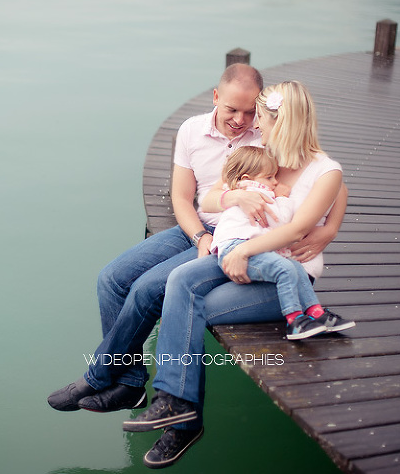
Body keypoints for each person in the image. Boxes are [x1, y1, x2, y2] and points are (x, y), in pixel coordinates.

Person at [123, 81, 352, 469]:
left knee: (197, 306)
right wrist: (236, 196)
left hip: (285, 274)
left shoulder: (324, 170)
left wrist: (328, 229)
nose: (255, 125)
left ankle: (184, 421)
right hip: (241, 251)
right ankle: (173, 401)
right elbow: (211, 197)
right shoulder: (266, 155)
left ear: (281, 121)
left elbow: (311, 216)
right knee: (179, 280)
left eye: (260, 117)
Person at [47, 63, 266, 413]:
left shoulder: (266, 135)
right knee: (111, 279)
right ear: (215, 97)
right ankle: (130, 383)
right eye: (232, 109)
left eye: (249, 111)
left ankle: (98, 376)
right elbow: (181, 198)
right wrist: (198, 235)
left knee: (146, 289)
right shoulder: (192, 130)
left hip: (234, 236)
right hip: (195, 227)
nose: (241, 120)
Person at [211, 145, 355, 340]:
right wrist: (282, 198)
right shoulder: (256, 192)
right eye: (269, 177)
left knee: (295, 267)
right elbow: (279, 221)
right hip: (236, 247)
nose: (275, 181)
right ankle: (294, 320)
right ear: (247, 178)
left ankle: (316, 312)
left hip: (246, 246)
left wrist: (331, 227)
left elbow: (340, 188)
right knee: (285, 269)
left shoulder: (248, 189)